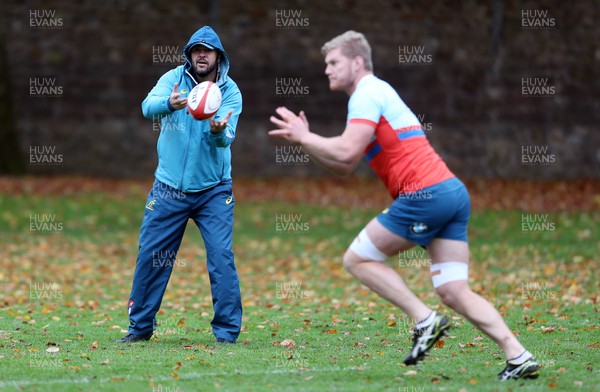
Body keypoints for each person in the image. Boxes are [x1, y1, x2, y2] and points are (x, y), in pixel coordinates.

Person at [269, 30, 540, 380]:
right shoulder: (376, 93)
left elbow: (347, 151)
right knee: (453, 290)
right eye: (326, 64)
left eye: (333, 62)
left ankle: (424, 319)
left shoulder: (367, 93)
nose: (327, 70)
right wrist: (306, 141)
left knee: (358, 258)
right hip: (450, 193)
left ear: (357, 62)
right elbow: (344, 165)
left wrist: (306, 137)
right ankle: (519, 356)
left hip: (424, 194)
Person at [117, 26, 242, 345]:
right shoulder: (173, 79)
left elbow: (227, 139)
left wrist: (216, 132)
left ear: (218, 57)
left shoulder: (229, 92)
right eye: (196, 50)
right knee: (151, 255)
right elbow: (147, 107)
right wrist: (169, 104)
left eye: (208, 50)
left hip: (214, 191)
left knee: (221, 258)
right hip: (169, 188)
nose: (202, 54)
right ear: (189, 55)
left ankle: (227, 333)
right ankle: (140, 328)